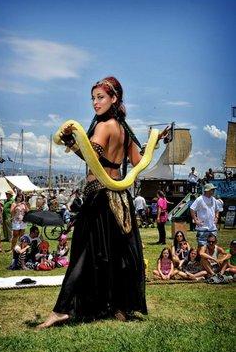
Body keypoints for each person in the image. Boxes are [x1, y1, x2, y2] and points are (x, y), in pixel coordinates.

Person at [37, 76, 169, 329]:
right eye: (93, 99)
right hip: (121, 198)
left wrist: (69, 141)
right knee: (118, 253)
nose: (95, 103)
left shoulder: (103, 126)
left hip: (99, 197)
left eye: (100, 98)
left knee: (83, 253)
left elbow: (91, 156)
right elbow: (141, 161)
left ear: (114, 99)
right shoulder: (124, 130)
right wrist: (156, 140)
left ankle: (62, 309)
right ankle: (119, 306)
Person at [190, 183, 219, 248]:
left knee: (212, 247)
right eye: (212, 189)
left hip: (212, 228)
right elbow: (192, 209)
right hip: (202, 228)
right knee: (202, 247)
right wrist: (196, 220)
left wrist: (216, 217)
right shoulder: (200, 199)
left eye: (214, 189)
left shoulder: (214, 199)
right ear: (207, 190)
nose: (214, 191)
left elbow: (217, 209)